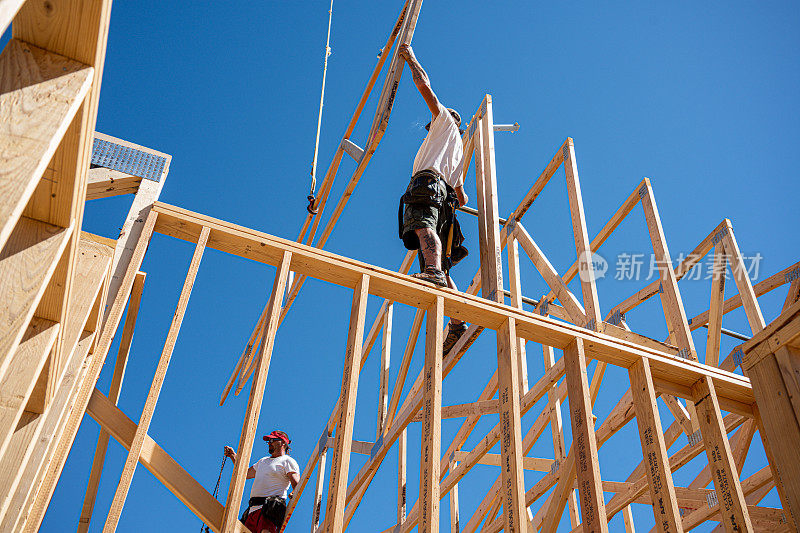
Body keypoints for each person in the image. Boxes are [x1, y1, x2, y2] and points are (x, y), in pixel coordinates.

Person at [397, 42, 469, 355]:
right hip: (441, 194)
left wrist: (410, 56)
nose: (429, 124)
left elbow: (423, 84)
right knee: (434, 251)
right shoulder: (456, 153)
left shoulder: (444, 124)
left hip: (426, 186)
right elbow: (462, 196)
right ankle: (456, 321)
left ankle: (435, 275)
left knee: (423, 228)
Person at [223, 431, 299, 533]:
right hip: (253, 509)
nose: (269, 443)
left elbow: (297, 483)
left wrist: (294, 492)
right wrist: (233, 455)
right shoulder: (263, 461)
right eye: (268, 441)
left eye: (272, 440)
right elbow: (245, 474)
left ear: (283, 443)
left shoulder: (287, 461)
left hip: (271, 508)